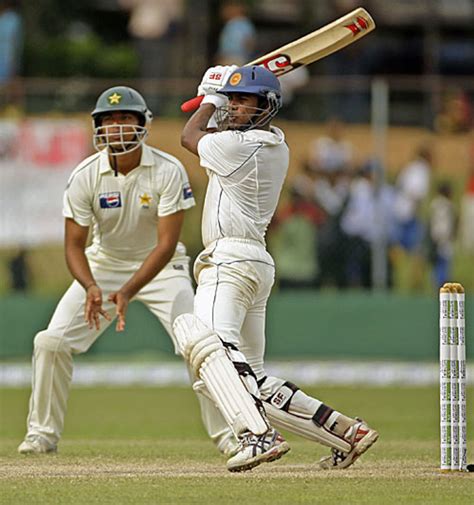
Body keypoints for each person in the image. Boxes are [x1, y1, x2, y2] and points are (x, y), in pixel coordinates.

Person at [173, 65, 378, 473]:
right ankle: (344, 433)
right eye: (232, 101)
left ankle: (257, 436)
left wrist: (210, 97)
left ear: (266, 106)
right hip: (251, 263)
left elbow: (189, 136)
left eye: (243, 101)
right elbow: (213, 134)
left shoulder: (240, 147)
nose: (233, 108)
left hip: (228, 261)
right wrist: (224, 96)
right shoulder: (270, 145)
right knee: (249, 379)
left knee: (199, 339)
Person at [18, 86, 234, 456]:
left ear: (142, 124)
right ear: (98, 128)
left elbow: (166, 243)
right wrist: (89, 286)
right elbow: (74, 244)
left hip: (163, 268)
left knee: (199, 344)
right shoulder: (85, 175)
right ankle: (42, 435)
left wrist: (129, 291)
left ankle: (231, 434)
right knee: (49, 342)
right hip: (104, 265)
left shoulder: (168, 170)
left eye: (125, 119)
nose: (116, 128)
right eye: (109, 121)